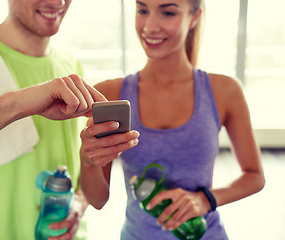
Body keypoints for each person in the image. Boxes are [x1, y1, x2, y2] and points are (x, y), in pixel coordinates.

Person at [0, 0, 139, 239]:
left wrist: (79, 203)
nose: (57, 2)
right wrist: (20, 103)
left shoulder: (71, 66)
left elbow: (87, 187)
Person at [79, 0, 265, 239]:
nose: (150, 26)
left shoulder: (225, 90)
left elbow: (255, 176)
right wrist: (87, 160)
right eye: (142, 10)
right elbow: (97, 200)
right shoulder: (109, 94)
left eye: (167, 12)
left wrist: (205, 199)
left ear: (195, 16)